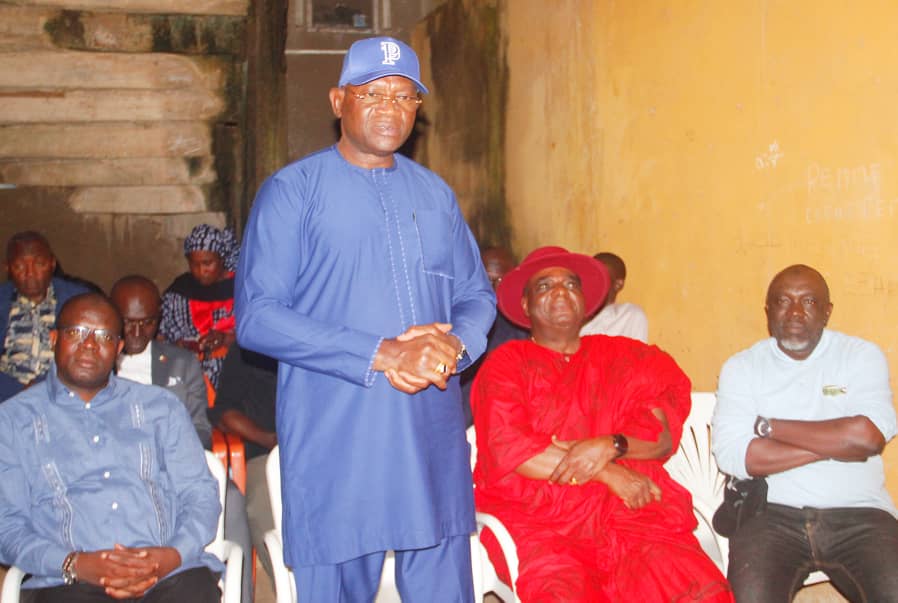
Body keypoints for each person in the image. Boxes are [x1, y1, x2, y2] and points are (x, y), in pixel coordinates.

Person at [235, 36, 496, 601]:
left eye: (404, 96)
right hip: (339, 432)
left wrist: (456, 348)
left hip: (429, 430)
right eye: (372, 93)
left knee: (443, 587)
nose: (389, 108)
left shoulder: (435, 194)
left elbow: (476, 295)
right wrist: (383, 352)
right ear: (338, 102)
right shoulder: (293, 192)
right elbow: (257, 317)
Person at [472, 246, 732, 602]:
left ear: (585, 301)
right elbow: (514, 451)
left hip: (631, 515)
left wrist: (610, 444)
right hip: (544, 525)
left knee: (686, 582)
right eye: (545, 286)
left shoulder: (626, 356)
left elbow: (660, 437)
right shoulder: (506, 365)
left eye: (570, 284)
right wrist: (607, 471)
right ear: (526, 305)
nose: (560, 291)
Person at [0, 292, 222, 602]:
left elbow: (200, 495)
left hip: (167, 574)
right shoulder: (12, 420)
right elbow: (8, 525)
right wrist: (75, 564)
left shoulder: (161, 408)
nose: (90, 344)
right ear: (54, 339)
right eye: (77, 332)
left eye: (104, 336)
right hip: (68, 581)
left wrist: (170, 556)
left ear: (118, 349)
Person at [712, 264, 898, 602]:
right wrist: (840, 442)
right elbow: (737, 457)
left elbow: (869, 437)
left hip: (861, 514)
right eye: (783, 301)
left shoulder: (860, 356)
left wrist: (770, 427)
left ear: (827, 312)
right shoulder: (742, 367)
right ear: (768, 311)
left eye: (809, 301)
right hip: (771, 515)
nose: (795, 312)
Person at [111, 275, 211, 447]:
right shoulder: (95, 364)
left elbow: (200, 428)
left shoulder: (183, 363)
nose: (137, 333)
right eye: (128, 322)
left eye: (147, 322)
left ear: (159, 317)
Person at [209, 344, 277, 582]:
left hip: (317, 455)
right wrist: (271, 440)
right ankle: (295, 586)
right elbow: (225, 413)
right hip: (265, 453)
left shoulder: (315, 346)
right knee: (261, 501)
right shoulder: (245, 350)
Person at [0, 231, 89, 401]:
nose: (30, 273)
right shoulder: (2, 301)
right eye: (20, 266)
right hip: (6, 399)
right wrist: (18, 391)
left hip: (63, 396)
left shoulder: (78, 300)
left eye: (39, 264)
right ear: (8, 268)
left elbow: (89, 359)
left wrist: (41, 388)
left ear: (52, 264)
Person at [159, 224, 239, 389]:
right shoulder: (180, 291)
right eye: (194, 264)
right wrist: (178, 346)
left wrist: (225, 339)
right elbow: (161, 336)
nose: (201, 270)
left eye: (207, 263)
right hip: (187, 373)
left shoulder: (241, 288)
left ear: (222, 259)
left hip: (233, 372)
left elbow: (259, 336)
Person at [459, 246, 528, 425]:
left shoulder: (524, 327)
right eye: (488, 280)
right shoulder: (459, 323)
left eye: (503, 280)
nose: (496, 289)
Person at [579, 251, 648, 342]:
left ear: (618, 285)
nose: (592, 281)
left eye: (601, 277)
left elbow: (638, 350)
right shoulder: (575, 313)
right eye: (591, 275)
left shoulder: (630, 316)